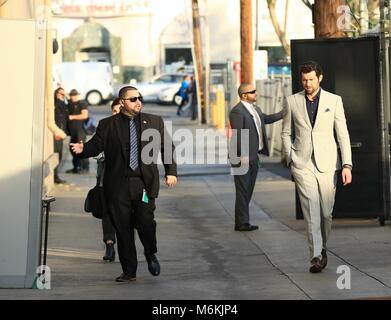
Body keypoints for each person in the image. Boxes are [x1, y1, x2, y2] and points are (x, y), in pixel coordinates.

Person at [70, 86, 177, 282]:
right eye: (133, 99)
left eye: (140, 98)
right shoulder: (107, 124)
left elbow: (166, 147)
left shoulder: (153, 122)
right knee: (123, 229)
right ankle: (129, 271)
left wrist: (170, 172)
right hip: (118, 186)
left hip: (143, 184)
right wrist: (82, 149)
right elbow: (96, 145)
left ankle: (150, 252)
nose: (138, 102)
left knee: (146, 224)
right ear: (122, 102)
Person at [281, 61, 352, 273]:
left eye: (311, 79)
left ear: (319, 78)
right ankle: (316, 255)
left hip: (328, 163)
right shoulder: (292, 101)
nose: (307, 83)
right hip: (302, 164)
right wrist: (290, 158)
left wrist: (347, 164)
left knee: (326, 213)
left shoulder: (334, 100)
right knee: (311, 210)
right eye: (304, 80)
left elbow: (342, 134)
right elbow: (286, 133)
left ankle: (323, 246)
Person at [229, 83, 282, 232]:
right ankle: (242, 223)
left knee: (248, 190)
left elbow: (267, 119)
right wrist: (243, 154)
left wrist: (285, 113)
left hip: (253, 156)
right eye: (252, 92)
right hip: (241, 157)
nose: (256, 93)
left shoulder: (255, 110)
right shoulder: (237, 111)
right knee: (242, 190)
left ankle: (242, 220)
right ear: (244, 95)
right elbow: (238, 134)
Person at [96, 98, 121, 262]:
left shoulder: (138, 127)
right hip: (108, 176)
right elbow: (96, 146)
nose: (117, 114)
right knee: (108, 211)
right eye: (114, 111)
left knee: (128, 215)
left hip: (130, 180)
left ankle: (128, 249)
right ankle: (109, 244)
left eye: (120, 110)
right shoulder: (105, 126)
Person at [66, 89, 89, 174]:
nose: (74, 96)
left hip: (80, 131)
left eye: (75, 95)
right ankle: (76, 168)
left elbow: (85, 115)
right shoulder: (69, 104)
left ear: (78, 95)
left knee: (81, 148)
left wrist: (72, 117)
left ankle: (85, 167)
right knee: (73, 149)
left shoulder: (82, 103)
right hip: (72, 132)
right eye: (72, 95)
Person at [53, 87, 69, 184]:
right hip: (57, 132)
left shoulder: (62, 103)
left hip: (61, 132)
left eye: (64, 94)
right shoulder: (57, 103)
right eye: (61, 94)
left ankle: (56, 175)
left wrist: (65, 96)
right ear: (56, 94)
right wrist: (61, 98)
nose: (63, 96)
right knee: (58, 154)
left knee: (60, 155)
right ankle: (55, 176)